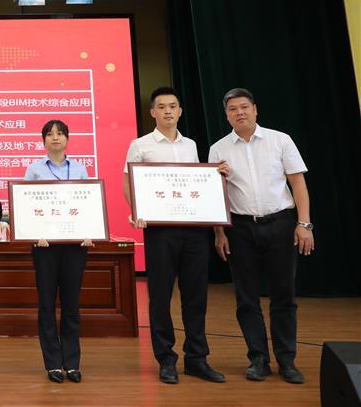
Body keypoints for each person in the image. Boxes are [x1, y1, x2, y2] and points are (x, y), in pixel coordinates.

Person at [209, 88, 313, 384]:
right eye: (232, 109)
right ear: (226, 115)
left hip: (280, 224)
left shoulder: (280, 140)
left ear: (255, 109)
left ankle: (287, 360)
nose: (239, 112)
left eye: (244, 107)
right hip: (240, 229)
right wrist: (219, 232)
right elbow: (216, 194)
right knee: (246, 298)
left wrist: (304, 224)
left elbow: (298, 184)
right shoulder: (218, 149)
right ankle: (258, 359)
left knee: (284, 296)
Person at [122, 87, 226, 385]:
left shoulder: (191, 145)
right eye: (162, 106)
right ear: (152, 112)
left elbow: (199, 185)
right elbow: (128, 182)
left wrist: (215, 177)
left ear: (180, 111)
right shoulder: (140, 145)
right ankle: (166, 359)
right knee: (160, 296)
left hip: (194, 230)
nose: (168, 111)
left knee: (196, 295)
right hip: (160, 230)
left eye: (173, 106)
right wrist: (138, 210)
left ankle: (197, 358)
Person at [23, 119, 93, 383]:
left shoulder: (79, 168)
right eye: (50, 134)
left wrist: (89, 232)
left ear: (67, 139)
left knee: (72, 304)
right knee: (47, 304)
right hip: (45, 246)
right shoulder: (34, 170)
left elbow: (87, 205)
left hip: (75, 246)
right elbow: (27, 206)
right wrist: (35, 233)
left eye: (60, 133)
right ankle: (53, 363)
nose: (55, 138)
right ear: (43, 140)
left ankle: (72, 362)